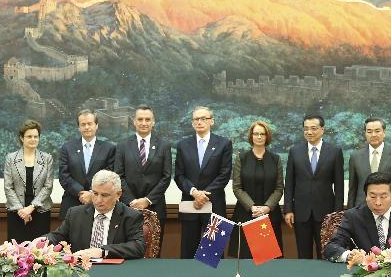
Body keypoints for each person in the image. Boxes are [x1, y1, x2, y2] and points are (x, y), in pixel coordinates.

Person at [174, 106, 233, 259]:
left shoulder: (224, 144)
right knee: (188, 254)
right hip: (190, 204)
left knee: (214, 256)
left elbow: (224, 174)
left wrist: (203, 195)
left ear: (211, 121)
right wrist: (194, 192)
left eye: (203, 118)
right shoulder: (183, 145)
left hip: (214, 205)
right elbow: (179, 175)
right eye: (196, 119)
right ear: (193, 123)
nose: (199, 122)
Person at [46, 169, 144, 259]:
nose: (98, 200)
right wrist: (43, 241)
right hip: (81, 269)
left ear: (118, 194)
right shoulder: (75, 213)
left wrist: (103, 251)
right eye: (95, 193)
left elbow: (137, 246)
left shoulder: (131, 216)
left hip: (114, 270)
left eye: (104, 195)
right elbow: (57, 236)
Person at [323, 172, 391, 262]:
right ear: (366, 196)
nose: (378, 203)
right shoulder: (353, 217)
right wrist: (349, 255)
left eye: (383, 197)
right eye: (373, 197)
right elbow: (331, 248)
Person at [284, 114, 345, 259]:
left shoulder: (335, 152)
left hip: (326, 213)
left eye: (313, 128)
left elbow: (339, 186)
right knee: (303, 254)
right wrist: (288, 209)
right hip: (301, 212)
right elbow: (290, 182)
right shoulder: (295, 151)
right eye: (306, 129)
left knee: (325, 254)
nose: (309, 132)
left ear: (322, 130)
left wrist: (337, 215)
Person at [114, 105, 172, 244]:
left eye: (147, 119)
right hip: (128, 207)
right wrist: (131, 201)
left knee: (154, 251)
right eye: (140, 119)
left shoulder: (164, 146)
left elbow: (166, 177)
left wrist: (147, 200)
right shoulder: (122, 145)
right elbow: (118, 175)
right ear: (134, 121)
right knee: (128, 249)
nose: (144, 123)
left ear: (153, 122)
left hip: (155, 206)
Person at [230, 120, 284, 258]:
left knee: (268, 259)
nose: (259, 137)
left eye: (262, 134)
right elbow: (237, 187)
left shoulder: (275, 159)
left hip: (269, 215)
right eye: (256, 134)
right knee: (245, 259)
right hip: (246, 213)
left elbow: (279, 188)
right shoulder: (241, 158)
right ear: (251, 136)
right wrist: (252, 207)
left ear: (267, 136)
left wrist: (267, 207)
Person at [58, 110, 116, 220]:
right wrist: (80, 192)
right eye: (83, 124)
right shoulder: (67, 148)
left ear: (96, 125)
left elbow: (110, 175)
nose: (86, 127)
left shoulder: (109, 149)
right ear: (79, 127)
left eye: (89, 124)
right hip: (72, 203)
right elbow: (64, 176)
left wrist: (92, 194)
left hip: (99, 204)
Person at [4, 119, 54, 243]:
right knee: (16, 253)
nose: (33, 139)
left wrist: (31, 208)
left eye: (36, 136)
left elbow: (48, 186)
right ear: (22, 138)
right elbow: (8, 187)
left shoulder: (47, 159)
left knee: (40, 253)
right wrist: (21, 210)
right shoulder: (11, 158)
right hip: (17, 212)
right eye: (29, 136)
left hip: (40, 210)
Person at [347, 117, 391, 209]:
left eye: (377, 131)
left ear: (384, 132)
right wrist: (350, 213)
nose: (373, 134)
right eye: (369, 131)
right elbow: (352, 189)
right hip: (361, 209)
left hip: (388, 208)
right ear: (365, 133)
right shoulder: (355, 156)